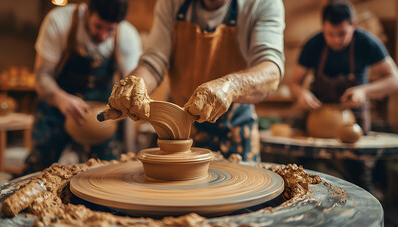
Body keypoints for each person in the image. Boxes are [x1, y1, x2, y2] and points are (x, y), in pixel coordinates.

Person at [98, 0, 285, 162]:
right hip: (179, 123)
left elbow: (271, 70)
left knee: (241, 197)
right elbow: (155, 60)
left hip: (234, 125)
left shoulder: (264, 4)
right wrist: (136, 83)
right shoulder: (172, 3)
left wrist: (230, 87)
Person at [23, 0, 142, 174]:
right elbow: (42, 76)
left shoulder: (127, 35)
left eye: (110, 30)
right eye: (98, 26)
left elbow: (133, 88)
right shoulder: (59, 21)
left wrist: (124, 115)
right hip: (58, 107)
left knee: (109, 173)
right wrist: (61, 99)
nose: (103, 36)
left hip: (101, 118)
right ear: (87, 13)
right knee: (38, 170)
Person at [289, 1, 398, 134]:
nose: (336, 40)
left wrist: (364, 91)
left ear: (353, 25)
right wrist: (301, 94)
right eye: (330, 34)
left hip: (353, 114)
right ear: (323, 27)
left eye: (342, 33)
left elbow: (394, 80)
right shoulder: (312, 45)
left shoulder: (367, 43)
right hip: (319, 111)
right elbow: (294, 83)